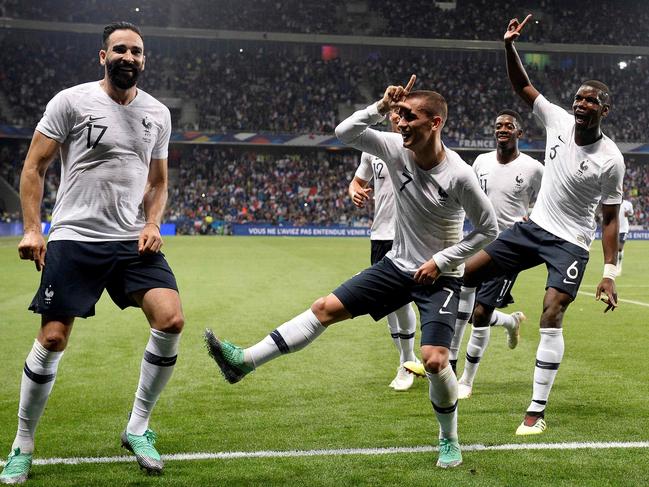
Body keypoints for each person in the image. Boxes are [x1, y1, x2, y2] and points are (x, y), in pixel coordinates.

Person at [205, 75, 498, 468]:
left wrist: (442, 261)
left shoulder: (459, 175)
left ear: (435, 123)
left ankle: (449, 440)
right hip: (397, 265)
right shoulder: (394, 147)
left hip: (441, 277)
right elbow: (345, 132)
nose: (401, 124)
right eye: (398, 117)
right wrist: (380, 106)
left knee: (433, 360)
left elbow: (489, 229)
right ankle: (243, 361)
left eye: (409, 117)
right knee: (324, 308)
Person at [0, 22, 184, 484]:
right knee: (54, 339)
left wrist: (152, 222)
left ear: (144, 60)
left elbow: (158, 182)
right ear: (103, 56)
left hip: (130, 241)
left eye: (136, 51)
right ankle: (22, 444)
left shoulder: (158, 113)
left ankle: (137, 429)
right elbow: (34, 166)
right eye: (119, 49)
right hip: (74, 237)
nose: (129, 57)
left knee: (171, 320)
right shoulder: (71, 101)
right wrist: (31, 229)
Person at [460, 15, 624, 436]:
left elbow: (609, 218)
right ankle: (439, 357)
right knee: (463, 274)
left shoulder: (611, 160)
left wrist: (609, 273)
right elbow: (522, 87)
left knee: (552, 311)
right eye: (579, 98)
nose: (582, 104)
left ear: (604, 110)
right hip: (532, 229)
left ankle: (535, 410)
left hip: (570, 243)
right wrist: (509, 46)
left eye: (591, 101)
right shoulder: (556, 121)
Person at [348, 111, 419, 391]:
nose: (399, 118)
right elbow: (358, 181)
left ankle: (407, 362)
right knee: (388, 303)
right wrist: (354, 190)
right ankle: (407, 360)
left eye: (405, 113)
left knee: (400, 299)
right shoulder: (372, 150)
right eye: (395, 112)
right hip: (380, 234)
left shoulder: (417, 146)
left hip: (409, 233)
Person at [617, 197, 633, 275]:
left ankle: (619, 265)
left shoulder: (628, 204)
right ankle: (615, 265)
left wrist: (629, 214)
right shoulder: (614, 203)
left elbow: (631, 214)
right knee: (614, 248)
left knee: (620, 248)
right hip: (615, 228)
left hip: (624, 229)